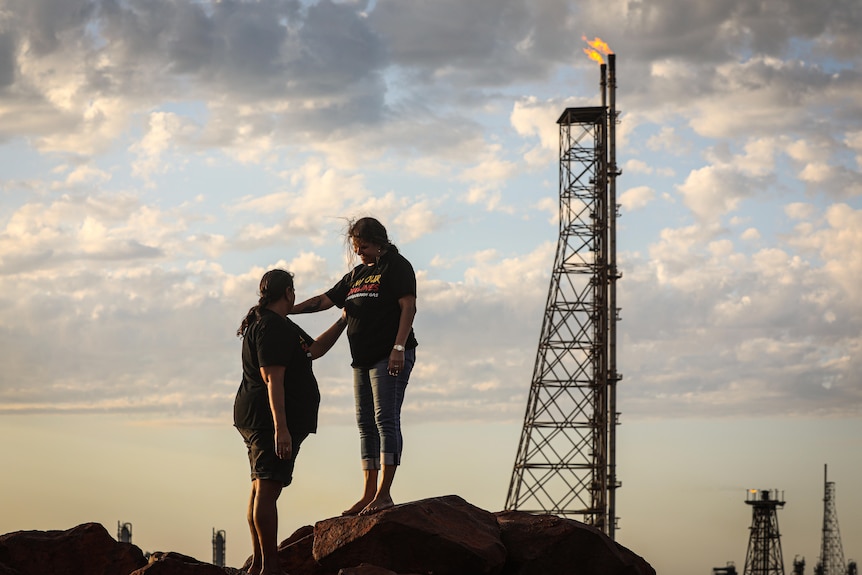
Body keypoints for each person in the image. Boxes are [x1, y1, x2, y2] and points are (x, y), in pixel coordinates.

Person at [291, 216, 418, 516]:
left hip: (390, 355)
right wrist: (287, 311)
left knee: (385, 419)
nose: (358, 251)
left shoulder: (397, 266)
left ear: (378, 241)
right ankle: (368, 493)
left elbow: (408, 307)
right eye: (356, 246)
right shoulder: (357, 275)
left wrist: (398, 347)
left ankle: (384, 494)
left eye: (362, 246)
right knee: (365, 425)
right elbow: (325, 300)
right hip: (361, 361)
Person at [234, 269, 346, 575]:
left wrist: (343, 320)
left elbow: (314, 350)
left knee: (261, 487)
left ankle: (260, 564)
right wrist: (280, 429)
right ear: (288, 293)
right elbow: (273, 380)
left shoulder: (280, 325)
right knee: (266, 489)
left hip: (259, 416)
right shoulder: (271, 327)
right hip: (267, 419)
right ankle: (269, 567)